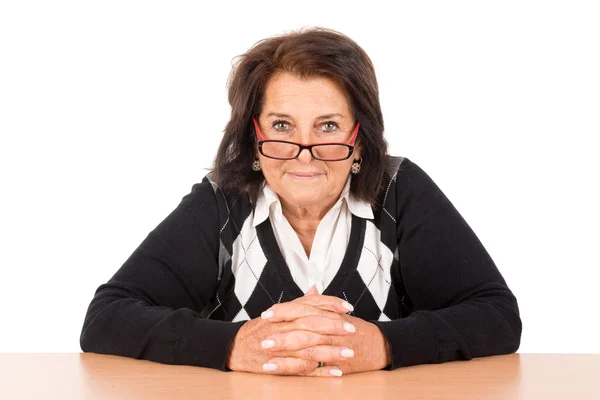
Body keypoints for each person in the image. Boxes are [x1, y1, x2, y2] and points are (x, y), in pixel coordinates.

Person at [79, 27, 522, 378]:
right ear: (254, 138)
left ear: (361, 140)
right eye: (282, 125)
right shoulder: (222, 200)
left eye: (327, 126)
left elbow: (497, 316)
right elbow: (107, 317)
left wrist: (385, 346)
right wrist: (233, 346)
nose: (304, 151)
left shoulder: (399, 191)